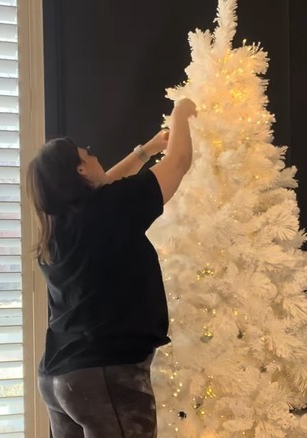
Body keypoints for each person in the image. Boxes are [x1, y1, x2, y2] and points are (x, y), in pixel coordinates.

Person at [27, 98, 197, 438]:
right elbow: (179, 162)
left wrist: (145, 151)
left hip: (58, 378)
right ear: (79, 169)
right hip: (106, 374)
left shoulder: (58, 227)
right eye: (86, 151)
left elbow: (105, 183)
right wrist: (182, 110)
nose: (93, 153)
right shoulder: (109, 209)